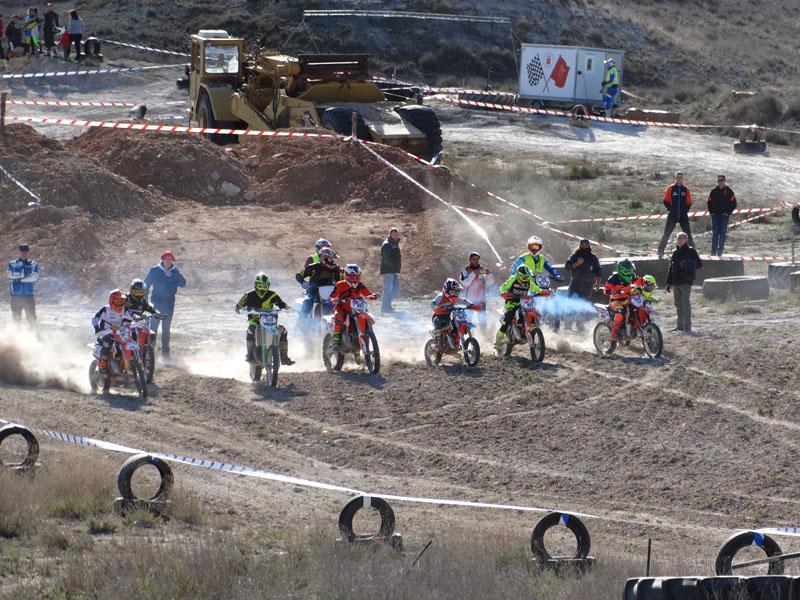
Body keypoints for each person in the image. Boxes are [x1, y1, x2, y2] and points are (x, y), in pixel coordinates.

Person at [235, 272, 294, 366]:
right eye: (260, 286)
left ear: (268, 286)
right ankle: (249, 354)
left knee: (283, 330)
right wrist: (240, 310)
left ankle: (284, 357)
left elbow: (282, 304)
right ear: (255, 285)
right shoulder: (249, 295)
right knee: (251, 329)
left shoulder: (272, 295)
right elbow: (238, 306)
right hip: (255, 319)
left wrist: (288, 308)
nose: (262, 288)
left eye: (264, 286)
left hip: (270, 320)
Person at [144, 251, 186, 359]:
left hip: (169, 304)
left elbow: (183, 283)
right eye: (167, 259)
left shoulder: (175, 271)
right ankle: (149, 352)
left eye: (170, 260)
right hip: (156, 303)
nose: (168, 262)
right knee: (153, 328)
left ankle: (165, 354)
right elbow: (146, 284)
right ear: (162, 260)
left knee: (166, 329)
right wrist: (144, 300)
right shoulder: (154, 270)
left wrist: (172, 275)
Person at [329, 264, 379, 350]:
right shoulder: (340, 284)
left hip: (356, 308)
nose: (355, 279)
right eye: (352, 277)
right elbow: (331, 296)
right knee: (339, 318)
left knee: (367, 317)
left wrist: (373, 295)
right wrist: (333, 300)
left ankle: (365, 337)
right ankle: (336, 341)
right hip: (342, 307)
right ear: (347, 276)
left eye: (357, 277)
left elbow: (368, 293)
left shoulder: (360, 285)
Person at [495, 264, 542, 349]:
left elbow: (536, 288)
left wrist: (542, 291)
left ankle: (529, 331)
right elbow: (503, 287)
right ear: (518, 276)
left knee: (533, 311)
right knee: (508, 318)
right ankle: (498, 340)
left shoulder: (529, 281)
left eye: (528, 277)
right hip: (511, 303)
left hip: (523, 303)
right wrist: (503, 293)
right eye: (524, 278)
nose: (526, 280)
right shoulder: (513, 279)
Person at [92, 290, 135, 378]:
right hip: (105, 333)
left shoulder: (124, 309)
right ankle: (102, 367)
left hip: (119, 334)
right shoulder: (106, 309)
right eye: (117, 301)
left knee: (126, 345)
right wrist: (96, 328)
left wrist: (138, 319)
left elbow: (132, 316)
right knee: (106, 345)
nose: (119, 303)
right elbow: (95, 318)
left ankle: (124, 367)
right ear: (112, 300)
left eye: (121, 301)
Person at [665, 232, 702, 334]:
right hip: (676, 282)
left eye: (681, 238)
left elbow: (699, 264)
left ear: (686, 240)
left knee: (685, 304)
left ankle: (687, 327)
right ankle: (679, 326)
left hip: (686, 281)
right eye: (678, 238)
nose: (679, 240)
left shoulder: (691, 251)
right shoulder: (675, 252)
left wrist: (686, 263)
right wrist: (668, 282)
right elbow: (671, 268)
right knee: (678, 304)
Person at [564, 239, 602, 331]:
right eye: (583, 244)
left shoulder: (593, 258)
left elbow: (598, 271)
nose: (584, 246)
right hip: (575, 283)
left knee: (583, 304)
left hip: (587, 284)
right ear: (580, 246)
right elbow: (567, 266)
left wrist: (598, 283)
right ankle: (567, 326)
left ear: (589, 246)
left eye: (586, 245)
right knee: (571, 304)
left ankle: (580, 325)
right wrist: (577, 263)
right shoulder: (574, 256)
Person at [295, 247, 342, 320]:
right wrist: (303, 282)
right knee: (308, 300)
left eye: (332, 259)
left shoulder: (335, 269)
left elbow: (341, 280)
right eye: (330, 259)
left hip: (329, 293)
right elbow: (298, 275)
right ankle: (303, 319)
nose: (332, 261)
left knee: (340, 302)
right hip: (313, 291)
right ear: (323, 258)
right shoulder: (313, 267)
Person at [657, 172, 695, 258]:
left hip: (683, 216)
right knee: (667, 233)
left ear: (683, 178)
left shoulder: (686, 189)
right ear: (675, 178)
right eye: (677, 177)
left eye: (680, 177)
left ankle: (693, 252)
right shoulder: (670, 188)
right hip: (672, 215)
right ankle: (660, 251)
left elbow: (689, 202)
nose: (679, 178)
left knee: (688, 234)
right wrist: (670, 209)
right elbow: (665, 201)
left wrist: (685, 210)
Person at [603, 258, 640, 341]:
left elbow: (639, 280)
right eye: (627, 271)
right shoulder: (613, 278)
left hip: (627, 299)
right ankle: (614, 332)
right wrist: (613, 291)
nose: (629, 273)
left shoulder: (632, 276)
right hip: (615, 301)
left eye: (630, 271)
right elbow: (605, 290)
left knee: (637, 309)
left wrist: (648, 283)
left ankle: (633, 328)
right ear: (620, 270)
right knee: (620, 313)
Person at [459, 252, 494, 328]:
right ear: (470, 260)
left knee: (482, 322)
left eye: (477, 259)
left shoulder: (482, 270)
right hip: (468, 300)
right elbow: (465, 283)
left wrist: (489, 275)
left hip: (481, 299)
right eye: (473, 259)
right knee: (467, 321)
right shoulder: (465, 270)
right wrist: (474, 273)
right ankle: (467, 338)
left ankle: (484, 337)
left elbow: (489, 283)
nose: (476, 261)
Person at [7, 243, 39, 325]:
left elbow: (34, 277)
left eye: (26, 252)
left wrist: (19, 278)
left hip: (29, 296)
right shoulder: (12, 264)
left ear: (28, 252)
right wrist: (24, 275)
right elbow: (9, 274)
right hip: (15, 296)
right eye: (22, 252)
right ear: (19, 252)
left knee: (32, 319)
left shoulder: (33, 264)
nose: (24, 253)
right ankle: (16, 336)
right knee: (16, 320)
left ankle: (36, 336)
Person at [707, 175, 736, 256]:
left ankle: (720, 251)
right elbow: (709, 202)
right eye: (718, 180)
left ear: (724, 181)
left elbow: (734, 203)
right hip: (715, 216)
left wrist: (728, 212)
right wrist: (711, 212)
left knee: (722, 234)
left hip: (724, 217)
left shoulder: (729, 191)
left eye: (721, 180)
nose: (720, 181)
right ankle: (713, 251)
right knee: (715, 234)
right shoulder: (713, 191)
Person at [430, 278, 464, 346]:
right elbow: (432, 303)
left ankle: (454, 342)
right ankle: (438, 342)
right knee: (438, 322)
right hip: (438, 316)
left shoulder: (454, 298)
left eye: (455, 292)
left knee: (454, 325)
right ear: (447, 290)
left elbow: (463, 301)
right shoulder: (440, 296)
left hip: (447, 317)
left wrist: (471, 305)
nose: (454, 293)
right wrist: (436, 307)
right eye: (452, 291)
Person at [379, 227, 401, 313]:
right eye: (394, 234)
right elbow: (386, 258)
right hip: (388, 270)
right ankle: (384, 308)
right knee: (387, 289)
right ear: (390, 234)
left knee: (396, 287)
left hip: (392, 270)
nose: (396, 236)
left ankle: (387, 304)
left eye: (397, 235)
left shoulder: (393, 243)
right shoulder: (387, 244)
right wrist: (392, 266)